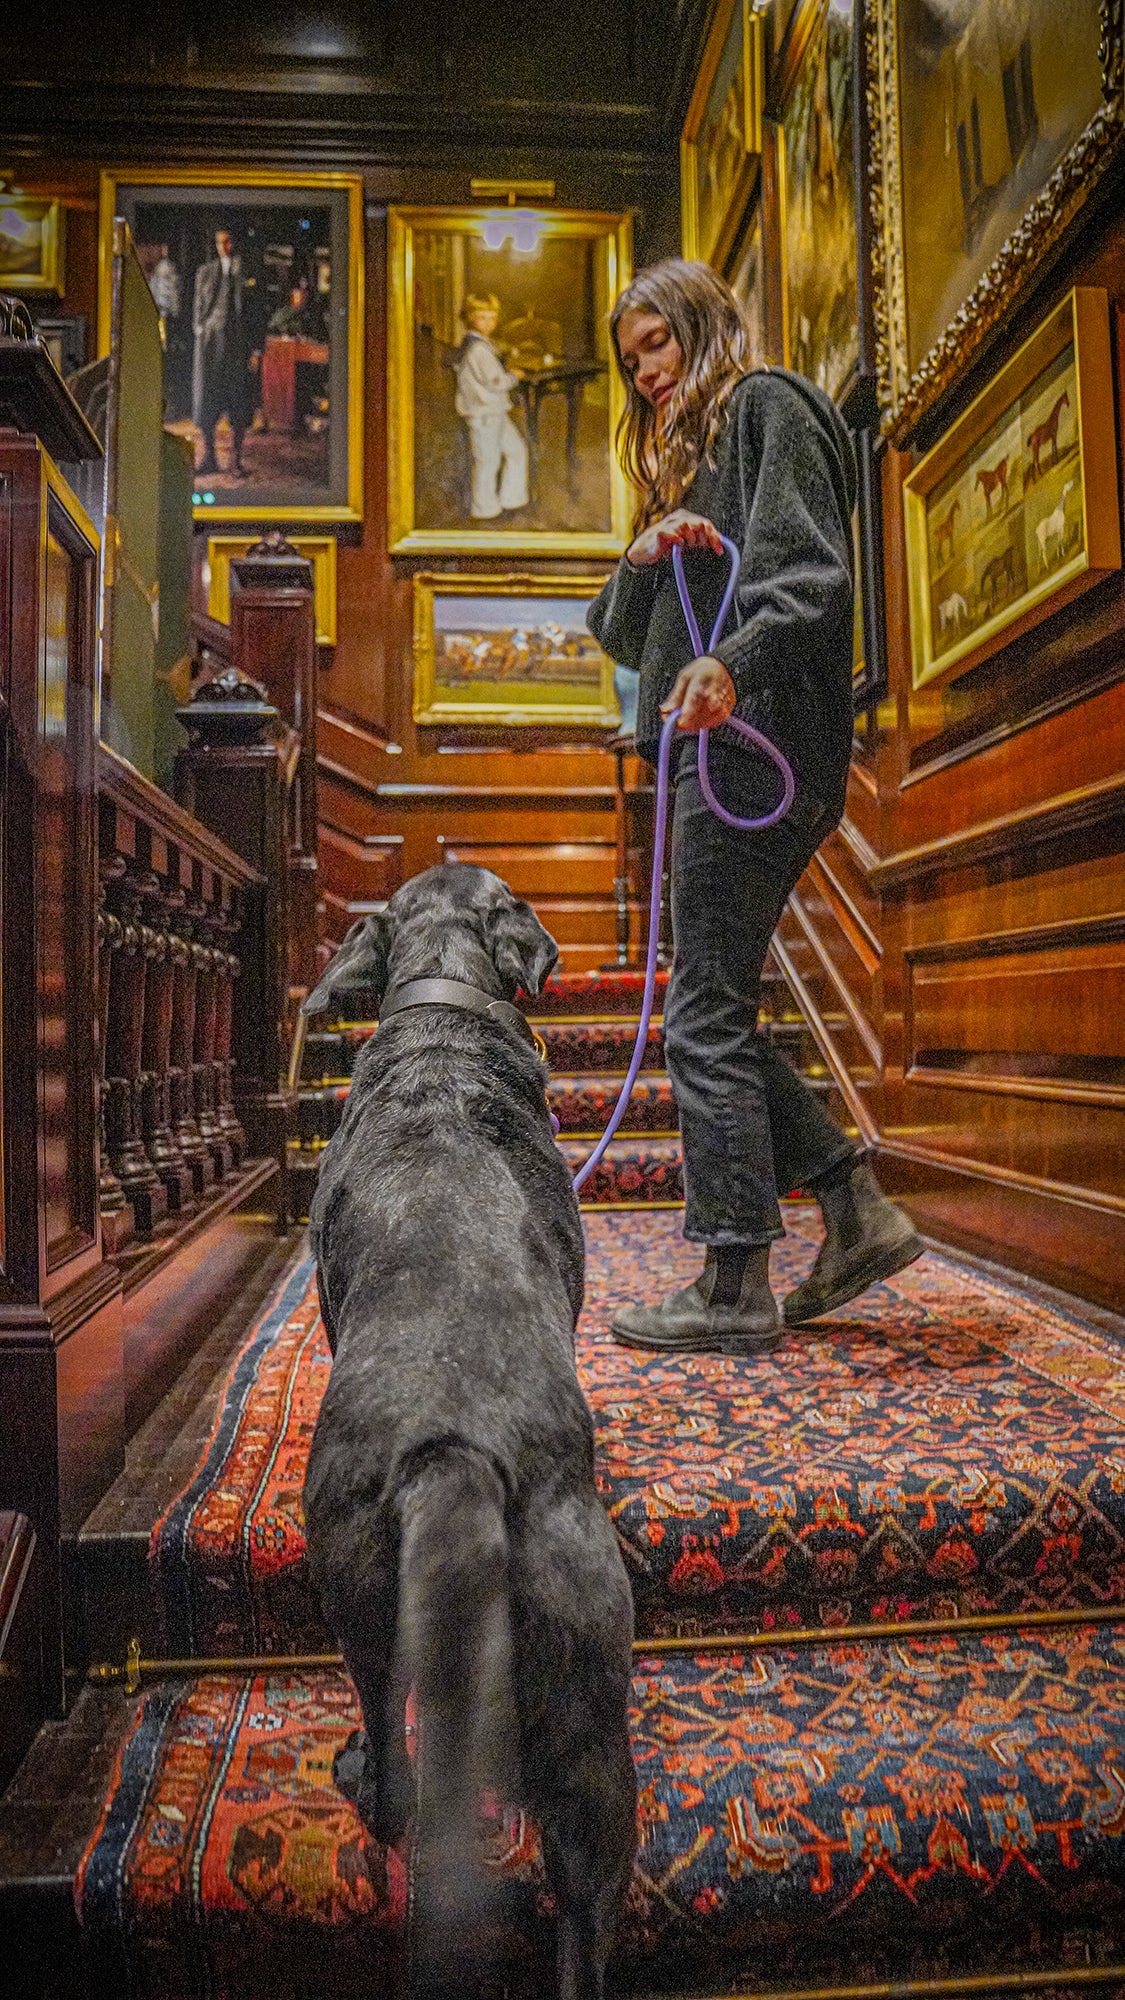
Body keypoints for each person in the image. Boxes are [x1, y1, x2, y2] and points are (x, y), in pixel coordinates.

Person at [587, 258, 921, 1355]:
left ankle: (734, 1276)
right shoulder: (688, 466)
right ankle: (851, 1204)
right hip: (713, 741)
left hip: (755, 737)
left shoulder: (772, 406)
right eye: (632, 359)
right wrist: (652, 548)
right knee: (712, 996)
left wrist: (731, 661)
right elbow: (621, 631)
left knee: (703, 1007)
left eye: (659, 345)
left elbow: (811, 577)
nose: (646, 373)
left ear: (703, 324)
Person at [454, 291, 529, 520]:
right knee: (488, 462)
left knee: (517, 451)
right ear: (470, 318)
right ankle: (485, 509)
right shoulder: (478, 350)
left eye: (492, 317)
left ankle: (511, 498)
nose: (489, 322)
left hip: (494, 411)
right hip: (484, 413)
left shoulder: (477, 345)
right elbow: (497, 382)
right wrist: (514, 376)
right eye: (482, 317)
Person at [192, 226, 252, 477]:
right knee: (207, 400)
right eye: (219, 242)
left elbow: (256, 311)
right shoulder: (205, 273)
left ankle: (236, 460)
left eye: (227, 242)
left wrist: (256, 348)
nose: (223, 247)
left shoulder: (247, 272)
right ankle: (209, 458)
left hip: (237, 347)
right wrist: (200, 329)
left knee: (238, 402)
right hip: (210, 346)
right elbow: (198, 307)